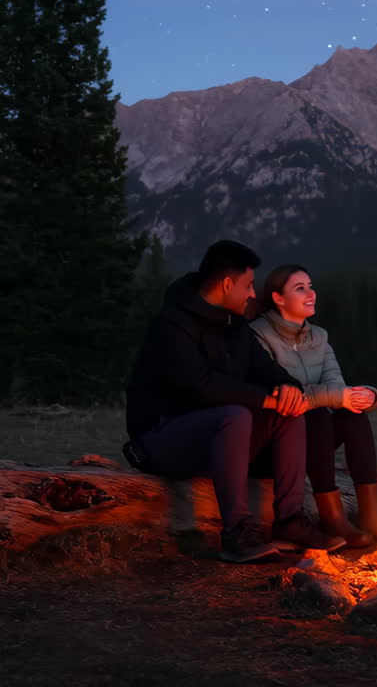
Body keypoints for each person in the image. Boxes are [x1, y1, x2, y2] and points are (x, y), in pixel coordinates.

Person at [123, 241, 347, 563]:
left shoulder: (234, 326)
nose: (253, 294)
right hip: (161, 439)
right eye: (248, 285)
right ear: (227, 284)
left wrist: (287, 387)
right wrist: (267, 400)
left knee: (289, 412)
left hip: (221, 439)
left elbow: (266, 369)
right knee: (236, 415)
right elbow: (200, 386)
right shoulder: (172, 325)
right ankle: (236, 533)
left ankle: (289, 521)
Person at [250, 264, 377, 547]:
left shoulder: (318, 337)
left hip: (313, 440)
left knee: (351, 414)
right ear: (278, 298)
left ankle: (370, 514)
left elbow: (337, 386)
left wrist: (368, 395)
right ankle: (333, 519)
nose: (311, 294)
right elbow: (281, 398)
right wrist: (332, 396)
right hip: (274, 443)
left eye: (311, 286)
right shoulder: (258, 336)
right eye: (300, 288)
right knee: (318, 414)